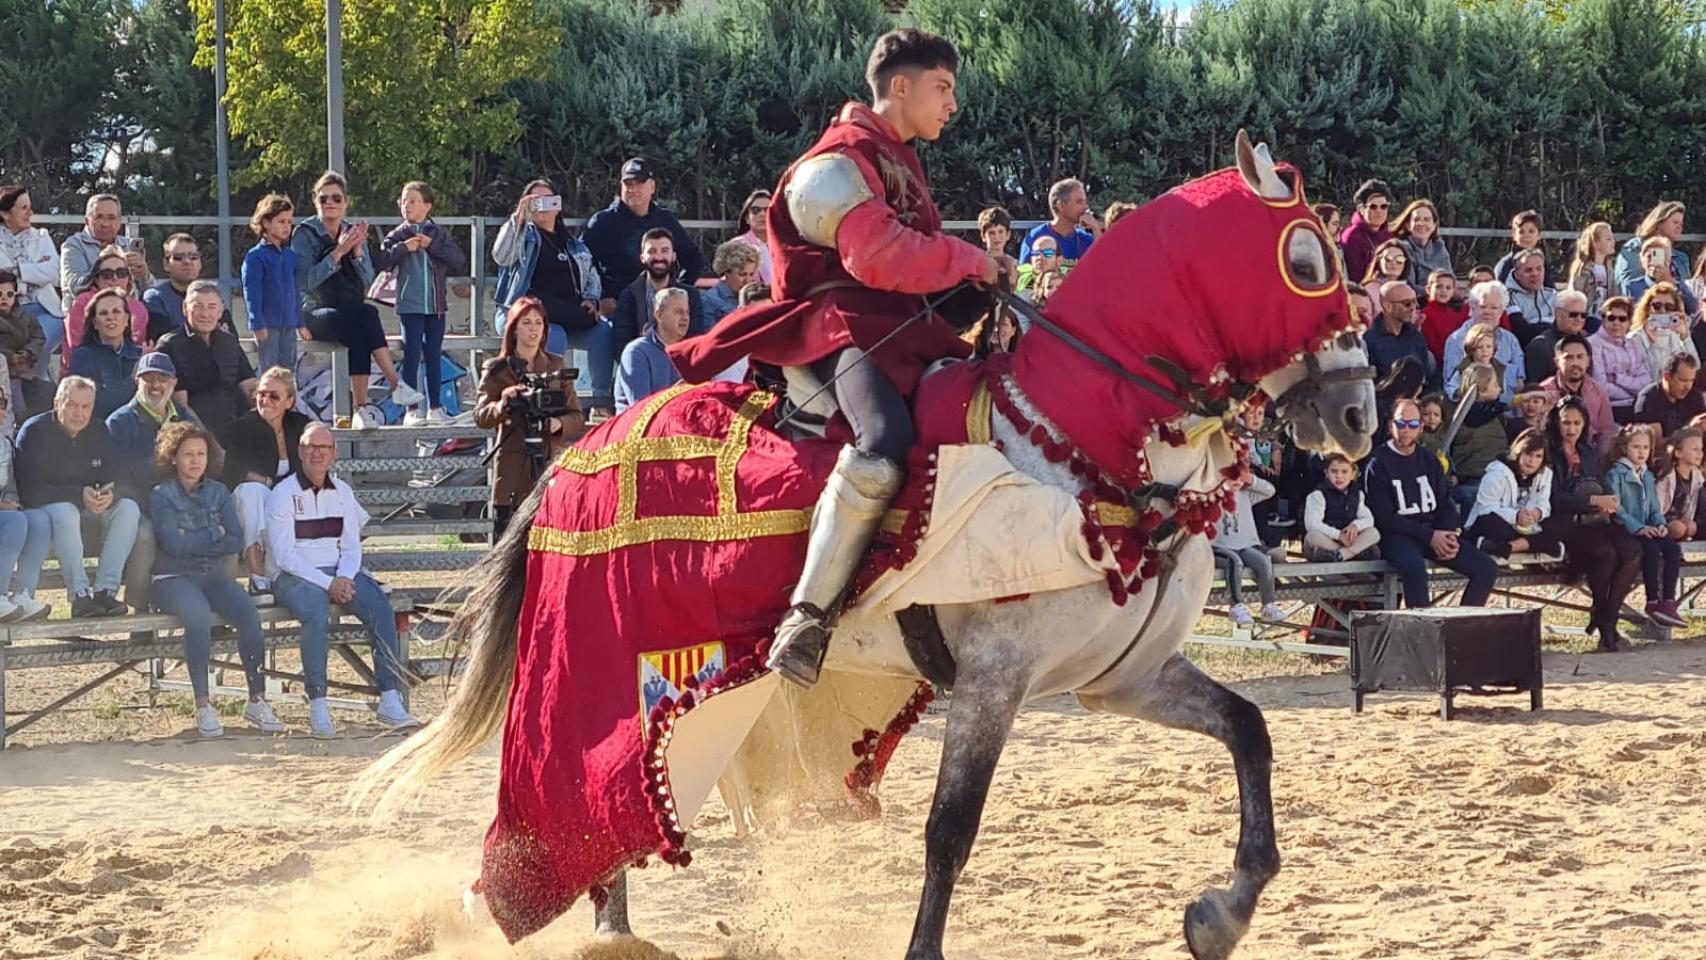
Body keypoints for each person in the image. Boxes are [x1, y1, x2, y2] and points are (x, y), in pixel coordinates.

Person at [668, 28, 1004, 688]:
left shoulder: (900, 161)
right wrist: (969, 258)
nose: (952, 103)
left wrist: (976, 284)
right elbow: (876, 257)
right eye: (942, 88)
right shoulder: (834, 163)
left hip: (900, 329)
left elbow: (914, 272)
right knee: (884, 439)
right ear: (900, 86)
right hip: (837, 329)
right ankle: (807, 619)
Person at [266, 422, 420, 737]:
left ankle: (389, 697)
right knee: (315, 614)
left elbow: (350, 547)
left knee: (380, 607)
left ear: (334, 454)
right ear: (300, 451)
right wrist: (330, 585)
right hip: (294, 576)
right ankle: (318, 703)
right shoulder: (282, 494)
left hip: (338, 572)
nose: (316, 453)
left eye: (323, 448)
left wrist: (345, 578)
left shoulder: (343, 493)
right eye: (310, 447)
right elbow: (284, 557)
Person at [148, 420, 282, 738]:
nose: (195, 461)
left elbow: (234, 539)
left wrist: (195, 535)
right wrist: (213, 532)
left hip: (211, 575)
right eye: (188, 454)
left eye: (201, 454)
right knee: (197, 618)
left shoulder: (219, 492)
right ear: (174, 457)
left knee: (248, 615)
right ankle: (203, 704)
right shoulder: (162, 494)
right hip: (172, 577)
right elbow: (172, 543)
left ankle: (257, 699)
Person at [291, 171, 424, 427]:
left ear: (346, 202)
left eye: (336, 198)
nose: (330, 203)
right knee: (367, 313)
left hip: (347, 311)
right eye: (323, 198)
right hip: (313, 314)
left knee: (359, 335)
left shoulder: (351, 231)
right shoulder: (304, 234)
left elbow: (368, 279)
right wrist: (339, 251)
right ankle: (396, 384)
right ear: (315, 201)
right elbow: (305, 281)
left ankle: (360, 410)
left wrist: (357, 250)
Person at [14, 377, 140, 618]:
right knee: (66, 511)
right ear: (57, 403)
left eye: (86, 407)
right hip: (49, 515)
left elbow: (119, 475)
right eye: (72, 405)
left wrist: (110, 494)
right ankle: (79, 596)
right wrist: (77, 495)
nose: (79, 413)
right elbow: (30, 491)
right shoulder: (34, 432)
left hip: (89, 508)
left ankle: (105, 591)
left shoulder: (99, 431)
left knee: (128, 508)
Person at [492, 178, 612, 415]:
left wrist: (592, 299)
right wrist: (518, 218)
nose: (543, 206)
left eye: (548, 200)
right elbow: (501, 256)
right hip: (520, 313)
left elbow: (591, 276)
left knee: (603, 332)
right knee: (553, 335)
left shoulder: (573, 244)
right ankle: (546, 402)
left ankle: (601, 401)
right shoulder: (523, 237)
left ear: (558, 205)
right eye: (535, 201)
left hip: (566, 313)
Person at [1363, 397, 1498, 608]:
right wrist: (1430, 536)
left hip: (1432, 532)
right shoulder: (1377, 463)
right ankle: (1423, 626)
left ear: (1420, 428)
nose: (1406, 429)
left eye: (1412, 424)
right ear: (1390, 426)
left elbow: (1444, 502)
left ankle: (1463, 623)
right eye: (1401, 423)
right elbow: (1383, 517)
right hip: (1397, 536)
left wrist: (1448, 533)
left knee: (1486, 568)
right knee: (1415, 569)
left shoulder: (1429, 460)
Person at [474, 297, 583, 539]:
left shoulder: (556, 365)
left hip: (548, 459)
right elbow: (481, 416)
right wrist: (504, 403)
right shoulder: (497, 368)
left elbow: (577, 417)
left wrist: (557, 424)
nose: (533, 329)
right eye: (526, 322)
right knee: (507, 541)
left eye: (538, 322)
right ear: (514, 329)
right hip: (513, 466)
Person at [1547, 396, 1639, 651]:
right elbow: (1553, 497)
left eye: (1577, 423)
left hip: (1597, 519)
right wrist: (1592, 501)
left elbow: (1601, 481)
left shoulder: (1587, 451)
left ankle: (1607, 616)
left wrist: (1610, 499)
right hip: (1566, 523)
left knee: (1632, 551)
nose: (1571, 429)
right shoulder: (1548, 452)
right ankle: (1606, 624)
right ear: (1556, 422)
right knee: (1605, 554)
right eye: (1566, 422)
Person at [373, 181, 467, 425]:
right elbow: (382, 261)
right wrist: (404, 248)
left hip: (436, 306)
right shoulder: (398, 235)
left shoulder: (438, 233)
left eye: (413, 201)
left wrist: (430, 246)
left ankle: (436, 408)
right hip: (409, 306)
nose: (407, 206)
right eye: (403, 201)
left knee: (434, 355)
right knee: (412, 355)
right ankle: (411, 411)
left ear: (427, 206)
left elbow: (458, 259)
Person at [223, 367, 310, 592]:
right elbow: (233, 470)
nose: (265, 400)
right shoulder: (244, 426)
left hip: (289, 499)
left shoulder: (300, 425)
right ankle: (257, 575)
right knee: (253, 493)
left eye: (274, 396)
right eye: (261, 394)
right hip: (248, 503)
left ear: (289, 401)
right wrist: (268, 483)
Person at [583, 157, 706, 296]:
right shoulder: (603, 222)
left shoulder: (666, 220)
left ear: (652, 186)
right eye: (628, 184)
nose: (633, 189)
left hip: (660, 302)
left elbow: (694, 259)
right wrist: (600, 296)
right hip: (617, 302)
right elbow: (583, 263)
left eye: (639, 183)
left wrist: (675, 293)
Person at [1605, 424, 1687, 629]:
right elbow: (1617, 509)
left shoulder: (1647, 476)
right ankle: (1652, 602)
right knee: (1650, 550)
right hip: (1626, 529)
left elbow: (1654, 508)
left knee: (1672, 549)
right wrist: (1638, 527)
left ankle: (1668, 602)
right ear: (1625, 448)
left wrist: (1660, 524)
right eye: (1636, 447)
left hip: (1647, 526)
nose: (1641, 452)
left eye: (1645, 447)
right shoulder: (1615, 474)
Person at [155, 280, 258, 440]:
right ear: (185, 308)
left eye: (211, 307)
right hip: (192, 437)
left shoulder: (229, 342)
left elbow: (250, 387)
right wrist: (211, 444)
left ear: (220, 311)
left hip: (235, 431)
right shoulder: (169, 345)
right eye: (198, 306)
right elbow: (181, 407)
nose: (205, 314)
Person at [106, 351, 206, 509]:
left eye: (163, 378)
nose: (156, 385)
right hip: (140, 508)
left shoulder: (186, 419)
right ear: (136, 381)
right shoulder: (119, 423)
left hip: (184, 506)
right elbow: (119, 480)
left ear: (174, 383)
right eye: (148, 378)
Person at [1466, 429, 1562, 559]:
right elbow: (1485, 509)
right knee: (1490, 523)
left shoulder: (1545, 474)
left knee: (1560, 523)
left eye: (1538, 456)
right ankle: (1542, 544)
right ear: (1518, 452)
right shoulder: (1496, 473)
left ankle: (1507, 547)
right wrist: (1516, 516)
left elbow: (1543, 503)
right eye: (1528, 454)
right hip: (1499, 523)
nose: (1532, 461)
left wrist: (1538, 513)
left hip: (1527, 527)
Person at [0, 185, 64, 380]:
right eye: (23, 208)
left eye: (30, 207)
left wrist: (18, 270)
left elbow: (54, 273)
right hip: (6, 311)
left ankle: (36, 384)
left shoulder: (42, 237)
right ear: (4, 213)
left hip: (44, 309)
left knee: (39, 343)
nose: (30, 212)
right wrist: (35, 272)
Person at [0, 390, 52, 622]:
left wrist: (12, 503)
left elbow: (10, 487)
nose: (0, 410)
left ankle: (24, 595)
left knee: (39, 520)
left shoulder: (4, 444)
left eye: (2, 403)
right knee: (15, 521)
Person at [241, 193, 305, 373]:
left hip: (289, 324)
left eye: (289, 222)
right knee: (270, 370)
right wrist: (257, 323)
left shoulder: (290, 255)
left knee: (289, 370)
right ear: (266, 222)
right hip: (268, 324)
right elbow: (251, 292)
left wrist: (300, 322)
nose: (286, 226)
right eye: (281, 221)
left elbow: (295, 290)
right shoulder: (256, 256)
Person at [611, 228, 707, 346]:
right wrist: (644, 343)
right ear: (642, 258)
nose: (659, 257)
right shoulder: (629, 296)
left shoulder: (690, 296)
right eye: (652, 251)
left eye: (664, 251)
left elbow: (695, 339)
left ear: (673, 256)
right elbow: (621, 342)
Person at [1213, 470, 1283, 625]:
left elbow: (1270, 490)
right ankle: (1236, 606)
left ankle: (1268, 605)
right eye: (1232, 476)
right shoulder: (1212, 496)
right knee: (1235, 562)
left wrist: (1252, 480)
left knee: (1263, 561)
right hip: (1219, 547)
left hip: (1244, 545)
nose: (1236, 481)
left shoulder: (1246, 494)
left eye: (1240, 478)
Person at [142, 234, 237, 344]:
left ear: (200, 263)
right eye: (178, 257)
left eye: (193, 257)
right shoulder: (156, 298)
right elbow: (162, 342)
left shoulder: (212, 295)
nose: (187, 261)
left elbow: (232, 341)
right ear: (166, 264)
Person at [68, 289, 143, 420]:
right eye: (103, 313)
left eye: (116, 311)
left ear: (127, 319)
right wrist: (133, 380)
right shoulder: (83, 357)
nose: (110, 317)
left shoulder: (140, 356)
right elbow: (95, 405)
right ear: (95, 323)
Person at [60, 194, 152, 298]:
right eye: (99, 217)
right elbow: (76, 287)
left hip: (128, 306)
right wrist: (104, 262)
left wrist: (144, 275)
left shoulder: (127, 245)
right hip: (87, 306)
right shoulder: (74, 245)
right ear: (87, 221)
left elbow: (150, 291)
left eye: (111, 218)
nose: (105, 224)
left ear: (119, 221)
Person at [1443, 281, 1524, 399]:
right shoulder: (1457, 340)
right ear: (1472, 308)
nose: (1488, 312)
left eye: (1494, 308)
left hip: (1508, 405)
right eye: (1483, 306)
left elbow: (1520, 382)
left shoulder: (1510, 340)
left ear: (1501, 312)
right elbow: (1451, 386)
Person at [615, 288, 690, 412]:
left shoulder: (689, 352)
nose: (685, 317)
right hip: (640, 422)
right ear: (658, 314)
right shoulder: (636, 352)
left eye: (687, 312)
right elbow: (642, 408)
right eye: (678, 312)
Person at [64, 245, 150, 354]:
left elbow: (137, 347)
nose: (115, 278)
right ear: (97, 279)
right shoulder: (82, 302)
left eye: (121, 273)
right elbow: (76, 344)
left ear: (129, 279)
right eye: (107, 274)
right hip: (86, 360)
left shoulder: (139, 309)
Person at [1543, 334, 1617, 453]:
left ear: (1588, 361)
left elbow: (1606, 432)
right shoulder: (1544, 391)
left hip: (1589, 454)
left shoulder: (1597, 391)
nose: (1575, 363)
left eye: (1580, 357)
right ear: (1557, 362)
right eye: (1569, 358)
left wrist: (1600, 460)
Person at [1302, 452, 1380, 562]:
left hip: (1349, 540)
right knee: (1312, 537)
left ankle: (1340, 555)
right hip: (1328, 540)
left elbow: (1368, 519)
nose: (1339, 476)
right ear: (1326, 473)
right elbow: (1312, 524)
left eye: (1344, 472)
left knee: (1373, 533)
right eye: (1334, 471)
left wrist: (1355, 526)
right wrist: (1338, 535)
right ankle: (1352, 554)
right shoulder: (1318, 494)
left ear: (1352, 474)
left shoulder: (1357, 494)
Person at [1588, 298, 1653, 423]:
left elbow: (1645, 382)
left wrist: (1617, 378)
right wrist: (1634, 393)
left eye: (1622, 319)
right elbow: (1601, 386)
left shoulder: (1633, 344)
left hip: (1636, 406)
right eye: (1611, 318)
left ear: (1629, 323)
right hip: (1608, 409)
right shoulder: (1592, 344)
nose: (1616, 323)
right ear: (1603, 319)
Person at [0, 270, 52, 416]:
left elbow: (38, 336)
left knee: (48, 393)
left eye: (9, 294)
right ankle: (19, 420)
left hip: (26, 368)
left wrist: (28, 352)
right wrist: (10, 357)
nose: (4, 298)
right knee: (17, 399)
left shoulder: (25, 316)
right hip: (5, 373)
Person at [1018, 177, 1101, 267]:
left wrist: (1096, 228)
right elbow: (1023, 272)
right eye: (1079, 202)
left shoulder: (1086, 239)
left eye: (1085, 202)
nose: (1085, 207)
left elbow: (1104, 264)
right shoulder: (1036, 237)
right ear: (1060, 206)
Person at [1365, 280, 1434, 386]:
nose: (1413, 308)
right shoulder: (1368, 341)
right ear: (1387, 306)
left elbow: (1429, 375)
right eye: (1407, 303)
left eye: (1415, 302)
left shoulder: (1416, 336)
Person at [1614, 201, 1688, 298]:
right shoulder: (1635, 248)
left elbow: (1689, 296)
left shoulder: (1681, 258)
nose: (1679, 227)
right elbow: (1629, 289)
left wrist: (1669, 281)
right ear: (1659, 222)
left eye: (1681, 224)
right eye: (1675, 222)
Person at [1629, 282, 1698, 383]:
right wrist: (1652, 344)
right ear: (1647, 309)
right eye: (1657, 306)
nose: (1663, 311)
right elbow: (1649, 377)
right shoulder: (1635, 338)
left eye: (1669, 307)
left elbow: (1695, 368)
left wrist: (1686, 338)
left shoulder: (1676, 336)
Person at [1623, 236, 1702, 318]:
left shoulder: (1680, 286)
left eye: (1659, 257)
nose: (1653, 262)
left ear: (1668, 261)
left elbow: (1694, 309)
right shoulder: (1631, 287)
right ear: (1641, 260)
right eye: (1649, 257)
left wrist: (1671, 282)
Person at [1631, 353, 1705, 438]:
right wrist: (1689, 429)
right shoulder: (1648, 400)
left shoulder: (1695, 396)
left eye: (1691, 380)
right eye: (1683, 380)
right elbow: (1656, 443)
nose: (1688, 387)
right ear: (1667, 377)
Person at [1525, 289, 1590, 383]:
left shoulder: (1589, 342)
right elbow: (1534, 385)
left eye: (1583, 315)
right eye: (1573, 314)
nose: (1579, 319)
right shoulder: (1539, 346)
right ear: (1558, 314)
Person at [1338, 179, 1393, 284]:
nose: (1379, 211)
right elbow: (1355, 279)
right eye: (1373, 207)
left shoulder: (1390, 235)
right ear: (1361, 210)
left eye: (1384, 206)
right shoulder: (1351, 237)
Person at [1393, 199, 1451, 294]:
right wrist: (1435, 292)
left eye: (1426, 219)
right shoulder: (1401, 248)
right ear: (1408, 225)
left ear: (1434, 225)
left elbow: (1450, 280)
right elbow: (1409, 286)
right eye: (1416, 219)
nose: (1421, 223)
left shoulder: (1440, 247)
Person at [1657, 427, 1704, 543]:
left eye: (1701, 449)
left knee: (1692, 526)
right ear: (1678, 453)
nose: (1700, 453)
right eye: (1694, 449)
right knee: (1679, 528)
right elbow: (1657, 506)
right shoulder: (1667, 476)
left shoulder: (1697, 476)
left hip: (1682, 520)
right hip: (1664, 520)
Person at [700, 240, 760, 328]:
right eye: (742, 274)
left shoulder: (757, 297)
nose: (748, 281)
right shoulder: (708, 301)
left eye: (751, 274)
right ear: (726, 272)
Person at [1504, 249, 1557, 343]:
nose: (1535, 274)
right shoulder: (1508, 297)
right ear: (1517, 274)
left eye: (1539, 269)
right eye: (1528, 270)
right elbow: (1523, 333)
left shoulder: (1554, 295)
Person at [1567, 221, 1619, 318]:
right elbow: (1576, 295)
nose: (1613, 241)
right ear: (1595, 243)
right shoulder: (1583, 267)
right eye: (1608, 239)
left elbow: (1614, 295)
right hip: (1586, 317)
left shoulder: (1609, 268)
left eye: (1613, 238)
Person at [1419, 270, 1465, 366]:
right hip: (1440, 363)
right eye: (1439, 287)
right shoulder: (1426, 314)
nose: (1444, 291)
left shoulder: (1453, 313)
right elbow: (1432, 345)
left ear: (1453, 291)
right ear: (1428, 289)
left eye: (1448, 288)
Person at [1493, 209, 1548, 285]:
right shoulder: (1506, 264)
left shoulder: (1542, 263)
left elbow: (1549, 288)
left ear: (1539, 235)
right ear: (1514, 235)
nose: (1526, 236)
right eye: (1521, 232)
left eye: (1531, 231)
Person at [731, 189, 774, 284]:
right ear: (747, 218)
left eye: (768, 210)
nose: (762, 214)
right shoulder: (738, 246)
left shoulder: (784, 247)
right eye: (756, 210)